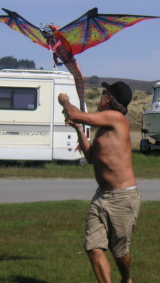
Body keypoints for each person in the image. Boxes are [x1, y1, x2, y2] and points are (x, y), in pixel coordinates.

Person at [58, 81, 140, 283]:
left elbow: (75, 114)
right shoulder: (104, 127)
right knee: (93, 248)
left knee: (119, 252)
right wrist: (78, 129)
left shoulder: (116, 118)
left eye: (104, 93)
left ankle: (127, 279)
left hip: (123, 197)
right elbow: (91, 158)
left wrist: (64, 100)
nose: (100, 97)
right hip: (101, 195)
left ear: (109, 98)